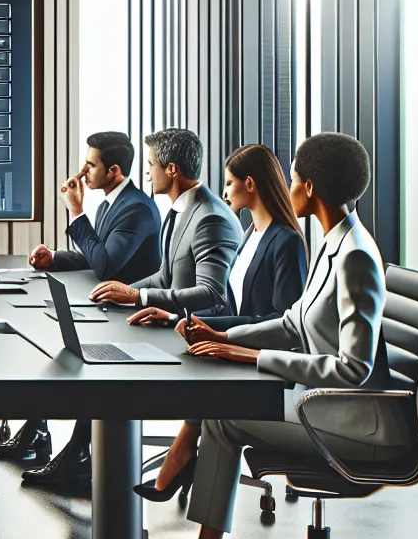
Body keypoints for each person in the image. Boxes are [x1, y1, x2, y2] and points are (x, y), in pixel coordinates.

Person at [148, 133, 406, 539]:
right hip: (324, 404)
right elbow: (292, 321)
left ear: (309, 188)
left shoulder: (354, 255)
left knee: (222, 418)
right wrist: (227, 335)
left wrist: (253, 357)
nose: (288, 188)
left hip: (360, 425)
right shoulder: (333, 241)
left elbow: (354, 369)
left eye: (293, 180)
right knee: (222, 411)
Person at [127, 143, 308, 503]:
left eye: (229, 182)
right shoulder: (250, 235)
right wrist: (178, 318)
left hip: (265, 364)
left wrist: (222, 335)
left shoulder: (286, 242)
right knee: (180, 360)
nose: (223, 192)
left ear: (250, 184)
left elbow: (283, 323)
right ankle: (182, 459)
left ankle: (179, 459)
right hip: (237, 347)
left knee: (197, 385)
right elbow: (230, 304)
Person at [0, 131, 164, 487]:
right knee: (55, 344)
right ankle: (38, 428)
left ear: (114, 170)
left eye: (90, 165)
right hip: (110, 310)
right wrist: (55, 258)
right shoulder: (110, 204)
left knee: (81, 357)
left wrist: (76, 211)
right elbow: (97, 256)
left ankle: (78, 454)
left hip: (132, 317)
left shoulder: (136, 208)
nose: (83, 171)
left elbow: (105, 266)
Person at [88, 128, 240, 319]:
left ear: (171, 170)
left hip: (195, 330)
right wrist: (119, 295)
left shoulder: (211, 219)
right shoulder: (179, 209)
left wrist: (139, 297)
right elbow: (165, 277)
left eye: (151, 165)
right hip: (170, 321)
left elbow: (212, 294)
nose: (148, 174)